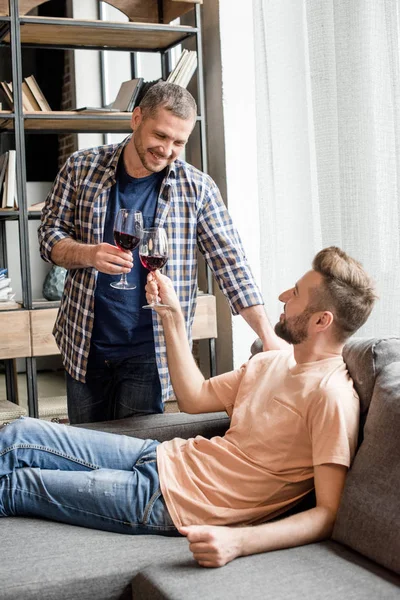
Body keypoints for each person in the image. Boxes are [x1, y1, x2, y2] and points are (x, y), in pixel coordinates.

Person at [0, 247, 377, 567]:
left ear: (320, 320)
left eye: (295, 294)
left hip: (176, 503)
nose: (281, 296)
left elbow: (327, 514)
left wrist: (238, 543)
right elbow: (193, 397)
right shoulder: (271, 362)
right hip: (161, 456)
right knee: (17, 433)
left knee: (18, 486)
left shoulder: (332, 396)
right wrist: (173, 317)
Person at [38, 81, 284, 425]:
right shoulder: (82, 167)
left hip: (151, 351)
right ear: (136, 118)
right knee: (85, 451)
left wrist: (267, 335)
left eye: (179, 142)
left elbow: (232, 264)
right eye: (161, 136)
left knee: (136, 455)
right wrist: (89, 254)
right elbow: (49, 236)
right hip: (85, 343)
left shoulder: (197, 188)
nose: (167, 149)